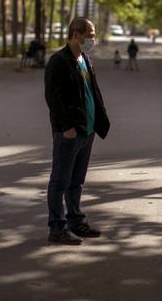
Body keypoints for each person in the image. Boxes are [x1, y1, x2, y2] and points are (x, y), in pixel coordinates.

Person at [43, 17, 111, 245]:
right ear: (76, 34)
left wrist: (99, 121)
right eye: (90, 34)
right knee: (60, 181)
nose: (93, 38)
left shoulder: (85, 58)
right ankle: (57, 227)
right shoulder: (59, 61)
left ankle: (75, 220)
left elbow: (93, 92)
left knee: (76, 181)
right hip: (70, 133)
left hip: (87, 130)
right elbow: (53, 97)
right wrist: (66, 127)